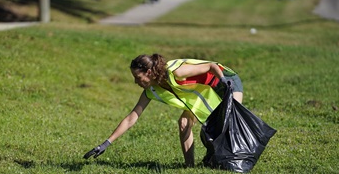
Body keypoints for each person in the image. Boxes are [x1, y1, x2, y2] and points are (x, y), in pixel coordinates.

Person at [84, 54, 243, 167]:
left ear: (149, 73)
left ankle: (239, 158)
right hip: (205, 92)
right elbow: (131, 118)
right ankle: (189, 168)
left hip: (225, 81)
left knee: (231, 123)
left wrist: (223, 82)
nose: (135, 82)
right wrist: (106, 143)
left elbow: (211, 66)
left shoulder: (175, 72)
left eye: (138, 78)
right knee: (184, 123)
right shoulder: (152, 89)